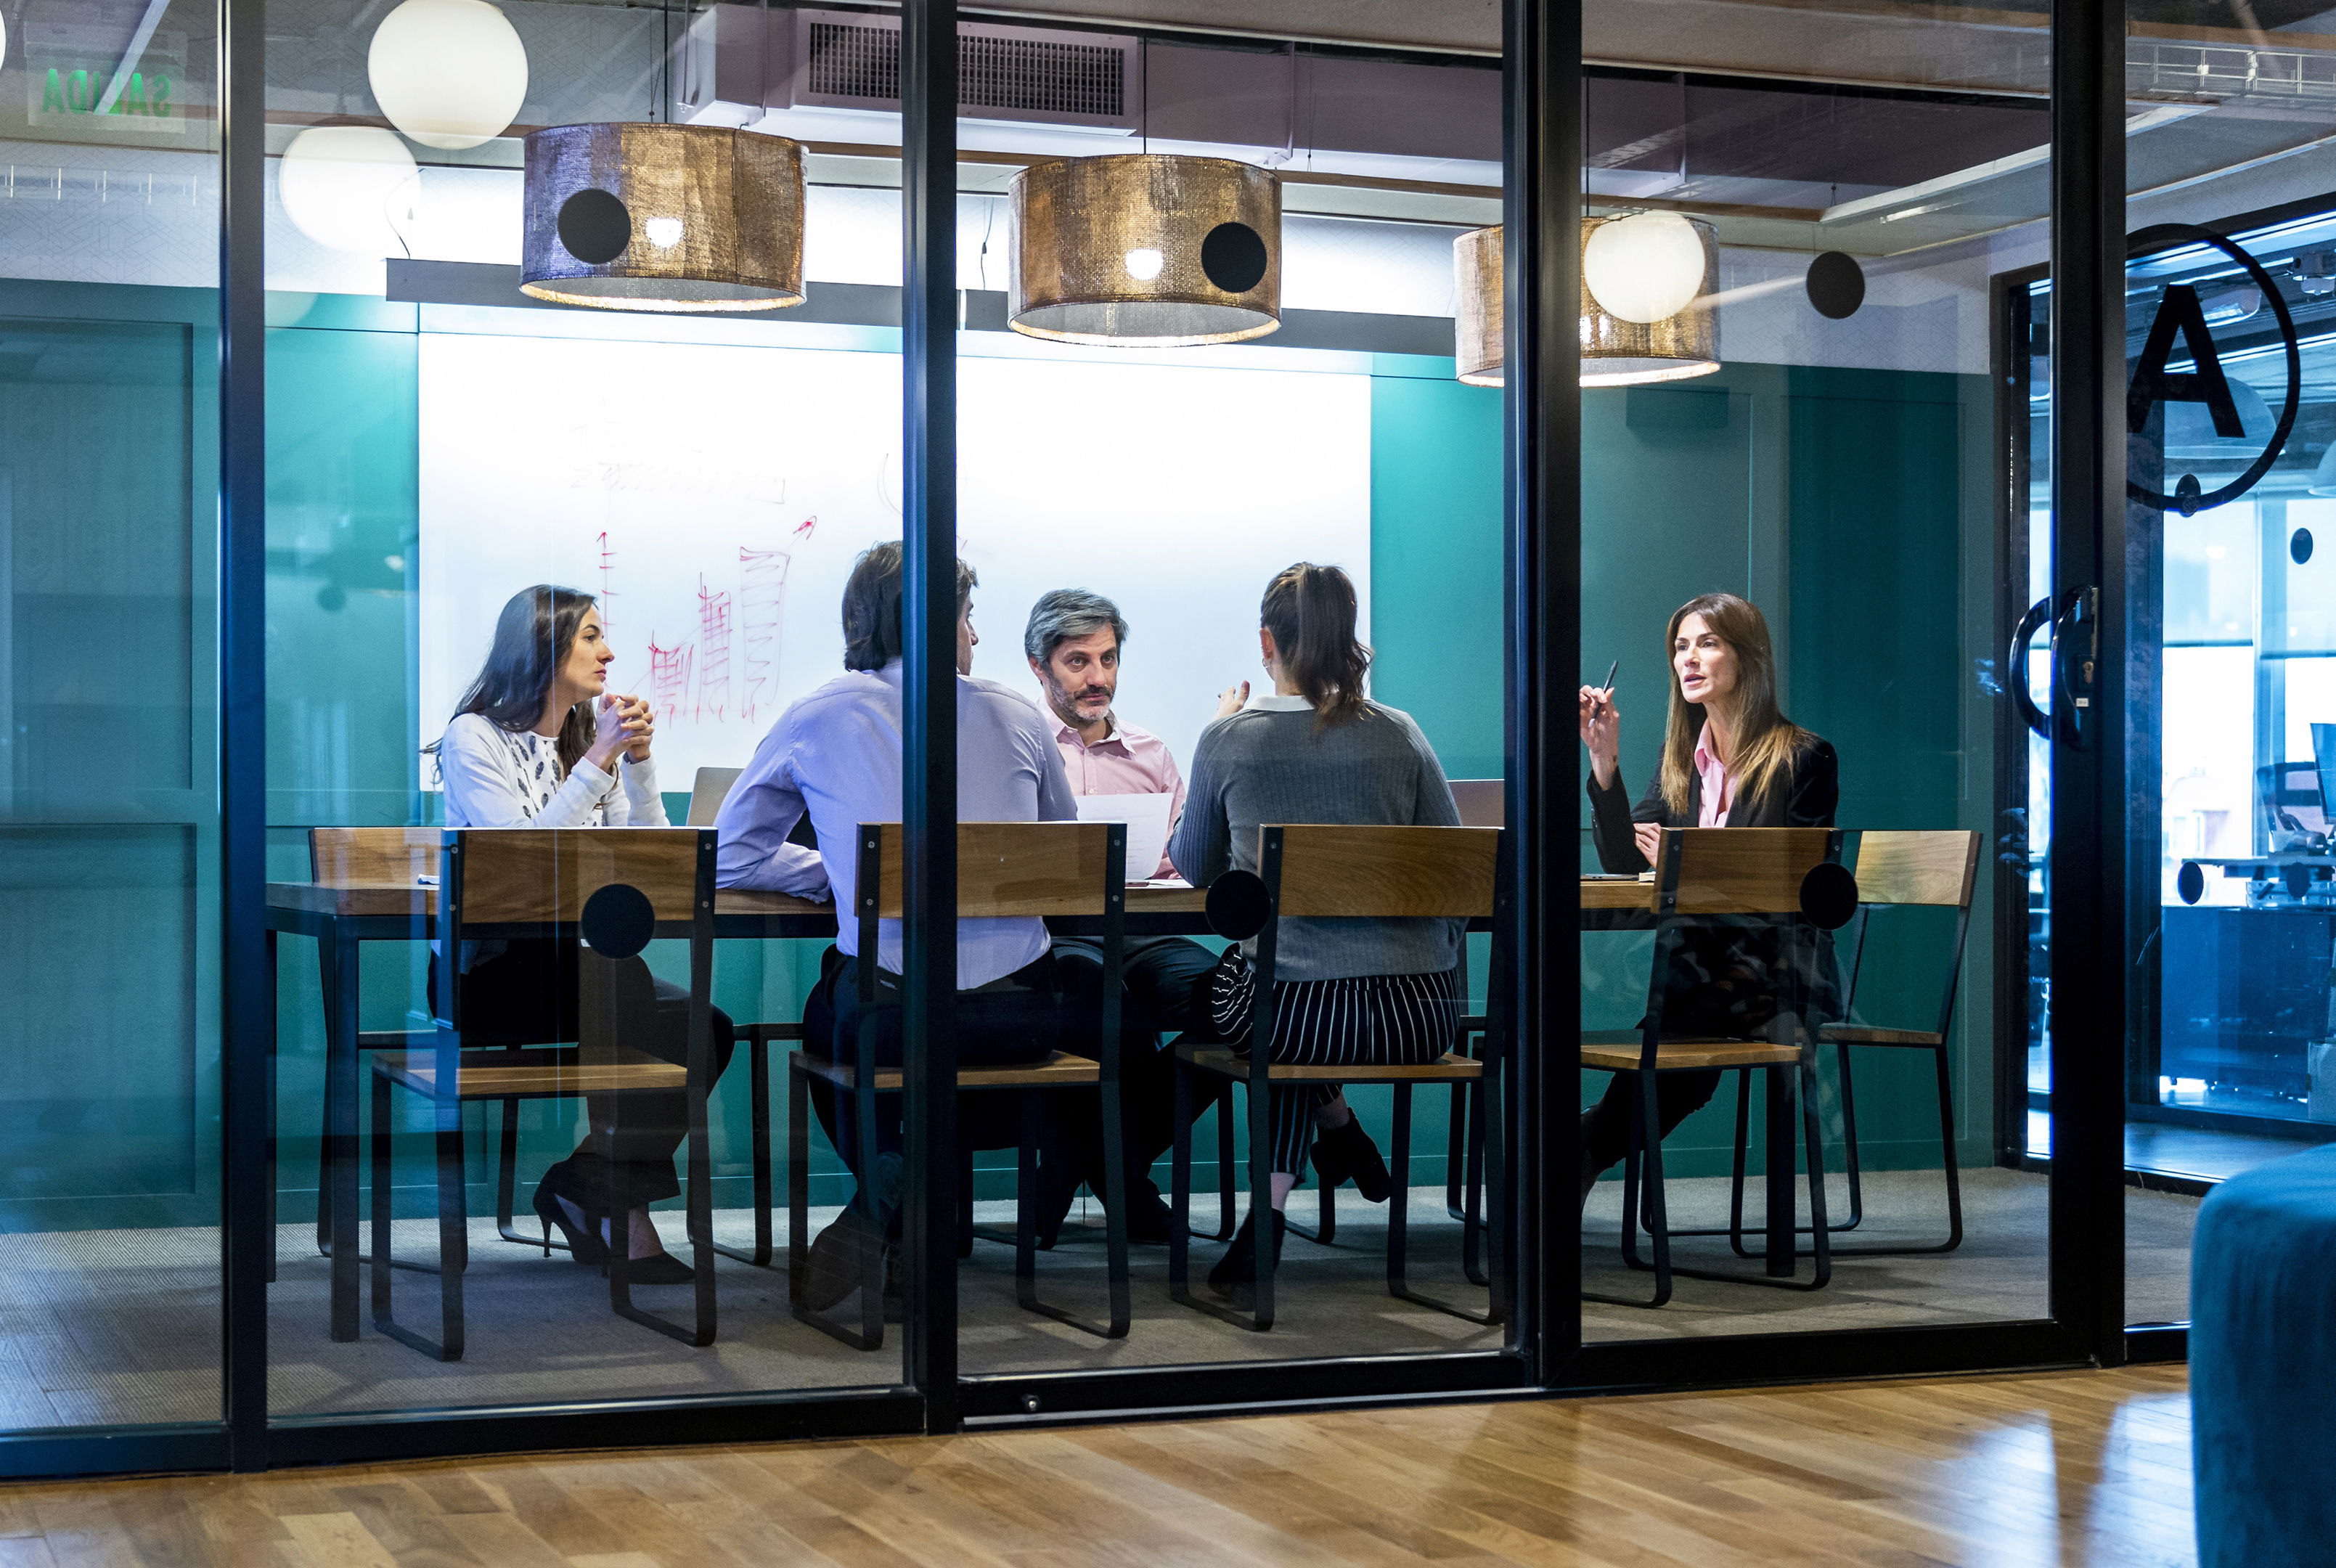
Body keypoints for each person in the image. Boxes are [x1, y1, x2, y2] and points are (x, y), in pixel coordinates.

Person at [716, 542, 1079, 1308]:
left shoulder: (819, 714)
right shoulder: (1017, 711)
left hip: (892, 1012)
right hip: (1022, 1017)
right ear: (940, 621)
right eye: (967, 616)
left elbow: (728, 857)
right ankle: (917, 1194)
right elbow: (1062, 850)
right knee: (948, 1037)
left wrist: (837, 875)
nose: (973, 635)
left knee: (828, 1013)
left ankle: (888, 1175)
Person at [1169, 561, 1463, 1301]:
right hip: (1417, 1018)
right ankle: (1336, 1137)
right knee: (1298, 1007)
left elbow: (1192, 863)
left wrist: (1218, 729)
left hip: (1291, 1012)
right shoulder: (1401, 734)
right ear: (1349, 640)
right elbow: (1458, 870)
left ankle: (1271, 1207)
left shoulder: (1228, 739)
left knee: (1282, 1011)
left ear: (1265, 640)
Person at [428, 584, 738, 1286]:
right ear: (544, 647)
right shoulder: (472, 737)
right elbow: (522, 867)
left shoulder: (582, 738)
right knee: (629, 990)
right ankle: (625, 1220)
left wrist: (636, 763)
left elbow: (650, 853)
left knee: (704, 1027)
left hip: (583, 972)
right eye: (592, 636)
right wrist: (600, 759)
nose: (610, 652)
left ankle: (589, 1181)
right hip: (492, 975)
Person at [1576, 590, 1840, 1201]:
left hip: (1782, 973)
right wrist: (1604, 760)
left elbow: (1796, 886)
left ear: (1747, 657)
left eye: (1707, 643)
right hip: (1704, 972)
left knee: (1677, 1032)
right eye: (1680, 647)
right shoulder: (1683, 764)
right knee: (1682, 1042)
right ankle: (1584, 1148)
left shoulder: (1804, 758)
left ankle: (1582, 1145)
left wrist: (1685, 863)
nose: (1688, 659)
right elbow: (1622, 860)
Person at [1024, 588, 1224, 1244]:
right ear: (1039, 667)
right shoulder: (1022, 746)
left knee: (1230, 1004)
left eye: (1108, 659)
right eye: (1078, 662)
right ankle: (1127, 1188)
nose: (1098, 678)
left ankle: (1104, 1167)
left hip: (1147, 932)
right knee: (1102, 1010)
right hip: (1061, 935)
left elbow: (1187, 863)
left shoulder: (1153, 755)